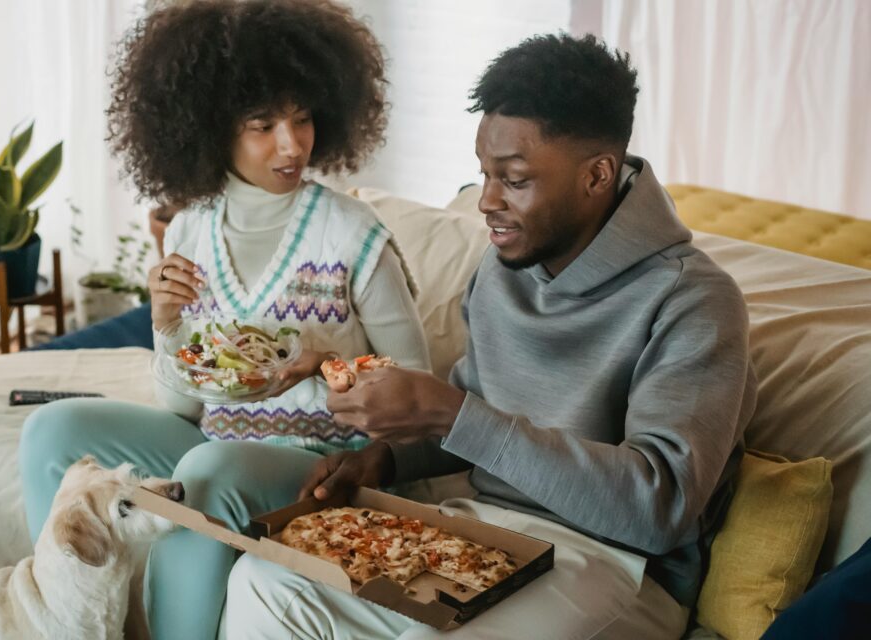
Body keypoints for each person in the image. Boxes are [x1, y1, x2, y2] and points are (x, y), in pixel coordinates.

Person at [222, 33, 758, 639]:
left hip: (618, 565)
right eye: (484, 173)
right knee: (268, 583)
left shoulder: (692, 301)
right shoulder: (503, 270)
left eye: (516, 179)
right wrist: (385, 458)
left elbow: (656, 511)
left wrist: (450, 413)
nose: (487, 201)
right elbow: (479, 419)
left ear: (597, 176)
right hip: (481, 532)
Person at [18, 1, 430, 639]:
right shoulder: (190, 228)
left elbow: (418, 395)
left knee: (206, 474)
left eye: (301, 118)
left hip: (321, 459)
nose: (292, 144)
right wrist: (165, 320)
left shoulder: (352, 235)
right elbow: (185, 409)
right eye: (262, 125)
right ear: (211, 128)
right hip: (215, 439)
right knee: (53, 432)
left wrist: (329, 362)